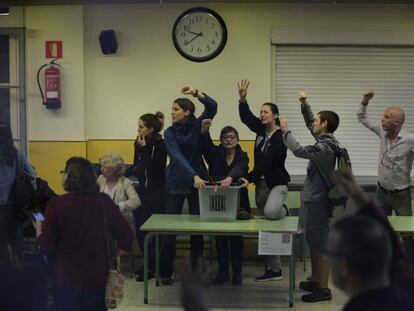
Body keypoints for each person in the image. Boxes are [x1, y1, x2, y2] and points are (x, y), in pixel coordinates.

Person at [38, 157, 134, 311]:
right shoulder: (104, 201)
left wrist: (39, 233)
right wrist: (116, 254)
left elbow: (45, 247)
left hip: (65, 280)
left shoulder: (57, 204)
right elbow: (127, 236)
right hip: (98, 279)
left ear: (69, 176)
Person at [279, 91, 340, 302]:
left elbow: (298, 150)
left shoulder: (325, 148)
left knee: (321, 245)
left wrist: (285, 131)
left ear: (324, 124)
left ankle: (323, 289)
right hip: (314, 201)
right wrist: (305, 105)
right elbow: (309, 124)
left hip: (319, 203)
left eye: (316, 120)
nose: (313, 123)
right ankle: (315, 280)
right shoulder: (325, 139)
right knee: (314, 242)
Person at [327, 169, 414, 311]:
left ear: (344, 266)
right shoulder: (406, 286)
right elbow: (395, 247)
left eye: (330, 254)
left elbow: (394, 248)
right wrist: (360, 198)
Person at [160, 85, 217, 286]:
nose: (171, 112)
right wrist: (192, 174)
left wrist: (195, 93)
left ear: (187, 112)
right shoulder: (169, 133)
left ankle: (196, 271)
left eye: (175, 109)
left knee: (197, 229)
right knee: (170, 230)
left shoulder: (196, 125)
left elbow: (212, 105)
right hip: (176, 181)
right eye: (172, 109)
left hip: (197, 183)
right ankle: (165, 272)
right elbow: (176, 156)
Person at [237, 79, 290, 282]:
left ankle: (284, 210)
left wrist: (248, 177)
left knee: (270, 213)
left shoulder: (281, 137)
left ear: (275, 115)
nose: (261, 115)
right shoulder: (260, 131)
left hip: (277, 184)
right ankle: (273, 269)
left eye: (265, 112)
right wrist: (242, 100)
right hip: (261, 185)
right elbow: (246, 118)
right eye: (261, 112)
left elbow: (268, 162)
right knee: (268, 226)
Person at [357, 91, 414, 260]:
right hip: (382, 192)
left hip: (401, 194)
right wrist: (365, 101)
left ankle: (410, 264)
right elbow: (362, 117)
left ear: (397, 122)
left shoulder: (410, 140)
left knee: (407, 233)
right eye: (383, 116)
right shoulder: (381, 131)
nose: (383, 119)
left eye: (387, 117)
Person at [200, 119, 250, 286]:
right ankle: (223, 272)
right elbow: (205, 147)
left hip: (238, 202)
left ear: (237, 140)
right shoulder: (214, 153)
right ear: (221, 140)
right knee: (220, 238)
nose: (229, 140)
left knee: (236, 239)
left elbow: (241, 168)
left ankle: (237, 272)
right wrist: (205, 131)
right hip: (218, 201)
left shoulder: (243, 155)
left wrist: (230, 177)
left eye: (232, 137)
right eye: (225, 137)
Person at [126, 111, 167, 282]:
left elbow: (155, 169)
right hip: (141, 192)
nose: (138, 129)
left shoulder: (160, 145)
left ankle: (155, 265)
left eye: (141, 127)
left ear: (151, 129)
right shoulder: (138, 143)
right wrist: (122, 172)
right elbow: (137, 166)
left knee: (155, 231)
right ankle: (147, 263)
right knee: (141, 231)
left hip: (157, 192)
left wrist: (146, 149)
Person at [0, 124, 35, 264]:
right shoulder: (15, 154)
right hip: (12, 206)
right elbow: (31, 174)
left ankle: (6, 275)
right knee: (15, 239)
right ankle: (25, 267)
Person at [97, 152, 141, 224]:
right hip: (102, 221)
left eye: (105, 167)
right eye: (101, 166)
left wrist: (117, 206)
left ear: (114, 169)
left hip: (121, 222)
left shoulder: (125, 182)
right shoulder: (100, 179)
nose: (102, 169)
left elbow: (136, 201)